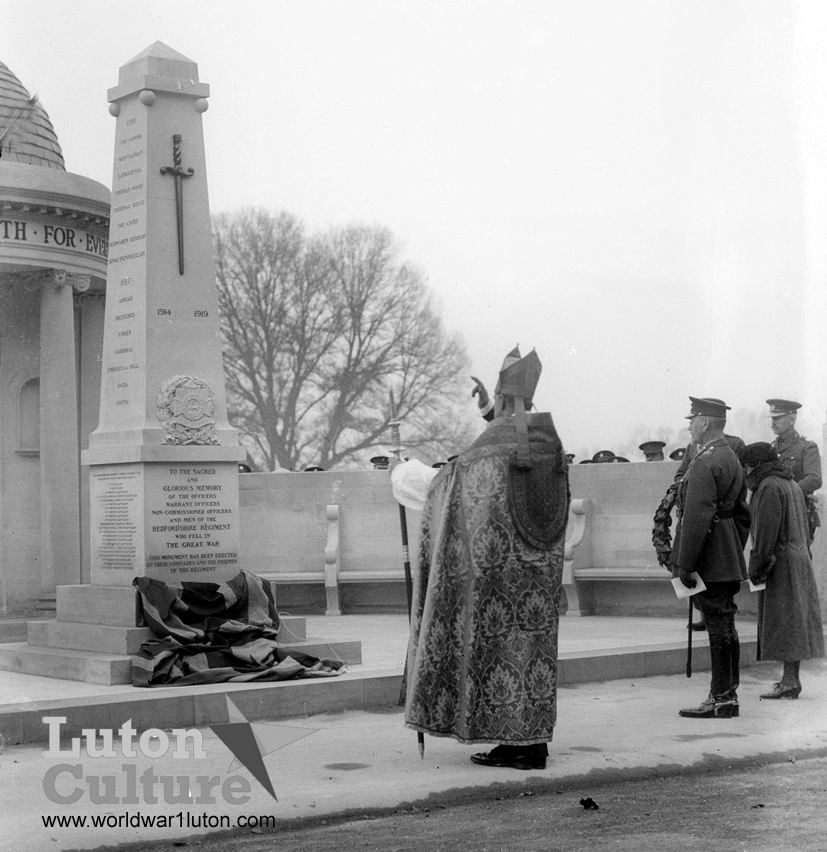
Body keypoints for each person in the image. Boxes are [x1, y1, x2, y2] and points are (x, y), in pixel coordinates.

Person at [405, 347, 569, 770]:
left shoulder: (492, 447)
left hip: (497, 581)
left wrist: (414, 479)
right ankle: (531, 742)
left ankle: (519, 749)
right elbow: (507, 452)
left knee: (498, 655)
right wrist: (488, 412)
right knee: (531, 658)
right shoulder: (548, 444)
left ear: (503, 396)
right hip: (536, 583)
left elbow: (457, 480)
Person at [670, 397, 751, 719]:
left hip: (708, 556)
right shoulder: (730, 456)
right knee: (725, 625)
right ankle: (727, 696)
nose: (689, 425)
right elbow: (743, 515)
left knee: (718, 626)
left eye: (692, 420)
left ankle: (720, 699)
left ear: (704, 423)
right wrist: (731, 547)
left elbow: (696, 517)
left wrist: (684, 564)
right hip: (726, 553)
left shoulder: (704, 461)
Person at [742, 442, 825, 699]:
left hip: (781, 562)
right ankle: (791, 679)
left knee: (786, 622)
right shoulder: (789, 484)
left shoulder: (767, 487)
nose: (745, 473)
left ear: (755, 466)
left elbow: (766, 533)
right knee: (795, 622)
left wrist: (757, 565)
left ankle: (789, 682)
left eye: (746, 466)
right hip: (798, 558)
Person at [766, 399, 822, 544]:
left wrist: (787, 492)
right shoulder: (771, 448)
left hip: (798, 514)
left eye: (777, 418)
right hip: (775, 514)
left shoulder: (807, 447)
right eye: (772, 418)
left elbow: (814, 479)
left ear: (791, 419)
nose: (773, 423)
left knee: (799, 560)